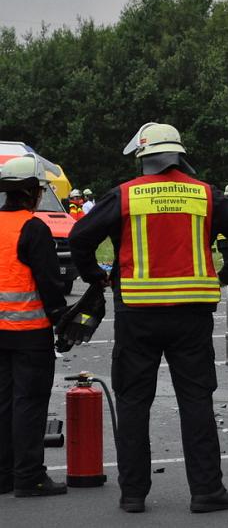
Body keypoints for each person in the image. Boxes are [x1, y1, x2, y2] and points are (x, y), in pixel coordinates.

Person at [69, 123, 228, 513]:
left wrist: (96, 276)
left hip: (137, 314)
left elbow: (79, 238)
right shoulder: (205, 195)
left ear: (143, 158)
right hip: (191, 316)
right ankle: (207, 491)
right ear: (179, 155)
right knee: (196, 401)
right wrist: (224, 277)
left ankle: (133, 494)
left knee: (134, 403)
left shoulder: (125, 195)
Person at [0, 155, 68, 498]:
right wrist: (63, 320)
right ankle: (29, 477)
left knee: (3, 402)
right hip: (29, 333)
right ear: (33, 193)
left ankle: (3, 475)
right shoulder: (34, 227)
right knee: (29, 403)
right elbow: (50, 283)